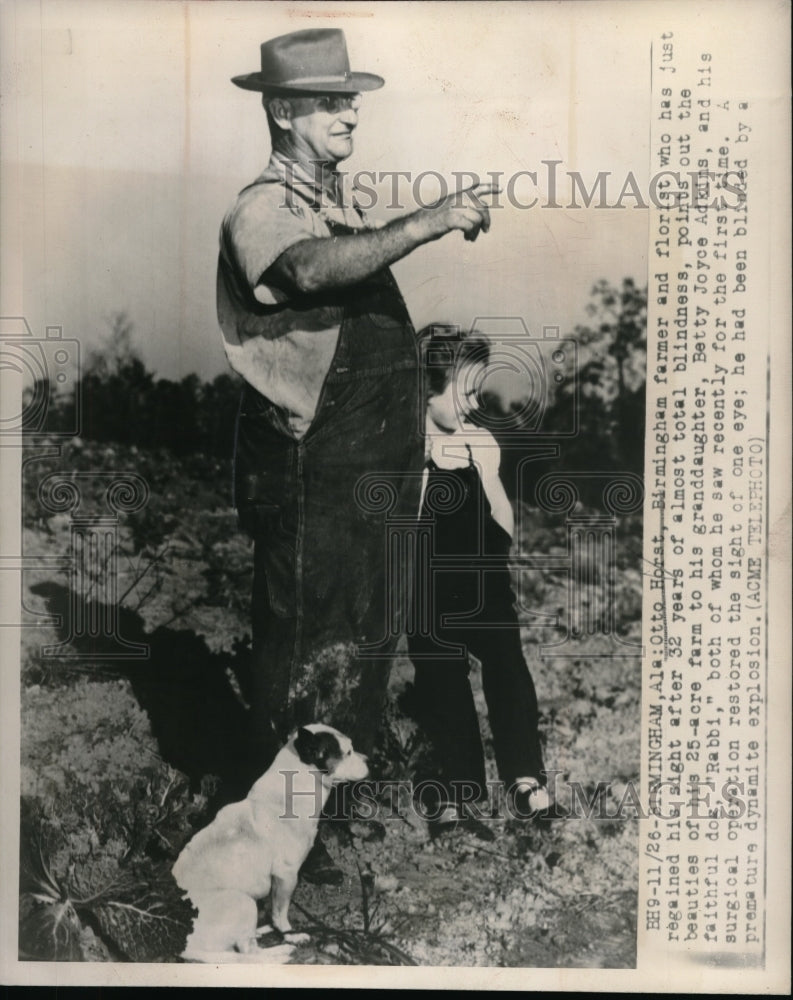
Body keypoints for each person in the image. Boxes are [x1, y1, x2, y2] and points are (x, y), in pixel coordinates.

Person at [218, 30, 498, 879]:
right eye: (327, 101)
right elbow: (307, 272)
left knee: (364, 633)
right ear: (280, 110)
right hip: (309, 461)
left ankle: (325, 820)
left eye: (350, 99)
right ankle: (272, 835)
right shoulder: (262, 208)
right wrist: (426, 222)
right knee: (305, 635)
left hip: (369, 464)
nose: (347, 113)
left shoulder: (332, 207)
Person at [408, 325, 550, 840]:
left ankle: (524, 779)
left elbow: (498, 504)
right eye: (464, 391)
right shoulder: (406, 447)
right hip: (427, 582)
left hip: (483, 576)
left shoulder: (480, 442)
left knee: (508, 667)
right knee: (443, 680)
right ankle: (458, 789)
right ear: (428, 387)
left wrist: (497, 552)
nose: (474, 402)